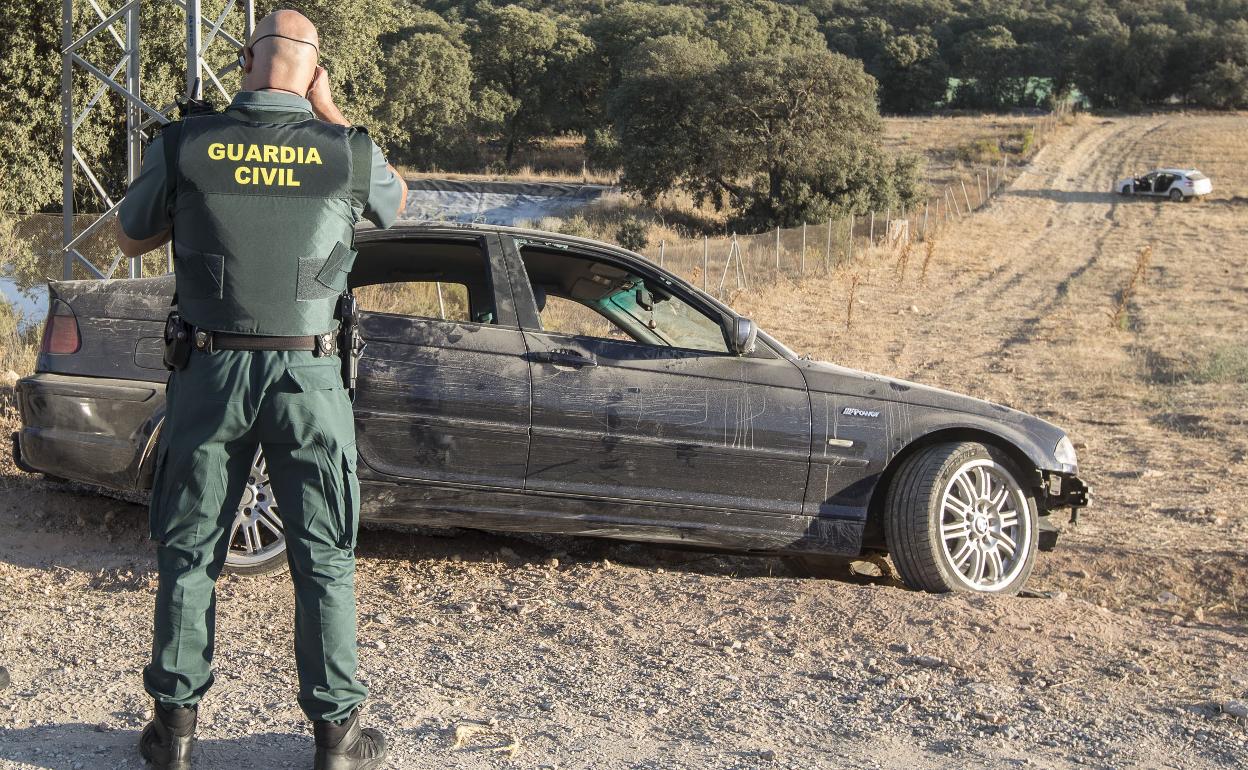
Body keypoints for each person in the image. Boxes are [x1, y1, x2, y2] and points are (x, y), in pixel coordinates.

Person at [116, 10, 407, 770]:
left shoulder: (185, 142)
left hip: (210, 371)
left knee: (189, 551)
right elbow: (396, 203)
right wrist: (331, 111)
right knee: (323, 556)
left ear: (245, 59)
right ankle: (336, 740)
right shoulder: (344, 149)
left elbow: (131, 234)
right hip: (309, 377)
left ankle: (174, 736)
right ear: (313, 69)